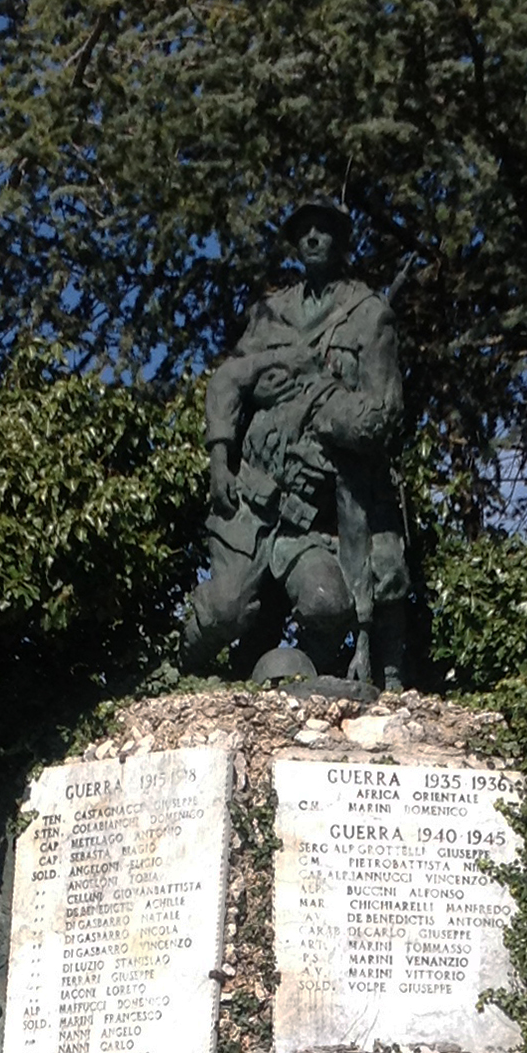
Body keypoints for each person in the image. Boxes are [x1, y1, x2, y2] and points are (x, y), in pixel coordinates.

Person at [181, 200, 408, 688]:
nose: (311, 239)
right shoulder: (272, 313)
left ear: (341, 241)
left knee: (328, 603)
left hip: (312, 511)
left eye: (323, 230)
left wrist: (327, 411)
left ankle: (293, 674)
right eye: (302, 231)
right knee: (224, 610)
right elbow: (230, 380)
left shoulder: (370, 317)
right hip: (251, 500)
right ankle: (184, 672)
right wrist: (220, 455)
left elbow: (382, 417)